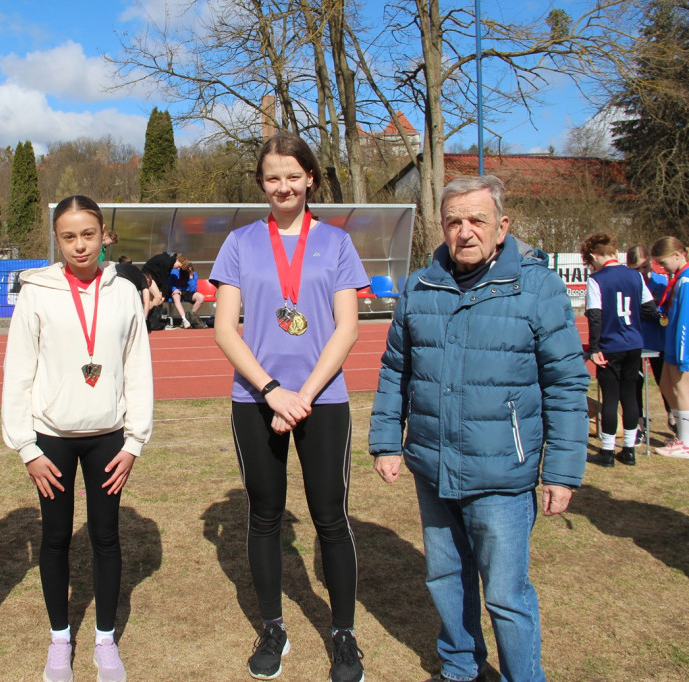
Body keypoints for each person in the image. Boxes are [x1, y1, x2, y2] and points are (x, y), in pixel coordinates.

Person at [369, 175, 589, 682]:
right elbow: (395, 369)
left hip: (503, 475)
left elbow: (566, 385)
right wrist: (386, 440)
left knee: (507, 596)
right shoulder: (421, 286)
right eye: (454, 221)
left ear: (502, 226)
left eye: (477, 221)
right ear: (441, 226)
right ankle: (459, 668)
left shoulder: (538, 288)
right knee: (445, 577)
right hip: (432, 464)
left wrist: (561, 470)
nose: (465, 232)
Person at [211, 132, 369, 682]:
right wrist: (272, 390)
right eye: (272, 177)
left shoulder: (338, 243)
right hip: (256, 398)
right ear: (262, 183)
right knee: (264, 515)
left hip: (322, 399)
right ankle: (273, 627)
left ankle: (344, 635)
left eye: (292, 176)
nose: (283, 186)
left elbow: (347, 327)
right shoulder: (238, 243)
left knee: (330, 517)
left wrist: (302, 395)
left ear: (311, 180)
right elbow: (225, 330)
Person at [1, 195, 153, 682]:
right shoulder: (37, 291)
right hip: (52, 440)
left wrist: (134, 442)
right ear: (57, 239)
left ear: (103, 233)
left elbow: (138, 368)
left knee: (106, 537)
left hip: (109, 438)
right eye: (68, 236)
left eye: (88, 234)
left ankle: (105, 641)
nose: (79, 245)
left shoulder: (124, 290)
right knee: (55, 537)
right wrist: (26, 446)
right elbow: (18, 372)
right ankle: (59, 638)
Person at [581, 233, 656, 467]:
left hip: (610, 345)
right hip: (634, 343)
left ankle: (607, 451)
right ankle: (630, 450)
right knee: (630, 395)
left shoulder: (597, 279)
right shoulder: (635, 276)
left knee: (611, 397)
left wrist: (594, 348)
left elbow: (594, 315)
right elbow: (648, 308)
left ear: (594, 256)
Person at [650, 236, 689, 458]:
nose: (662, 269)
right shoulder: (678, 279)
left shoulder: (686, 281)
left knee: (681, 389)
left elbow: (686, 319)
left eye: (663, 263)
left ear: (677, 255)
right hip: (671, 341)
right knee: (665, 384)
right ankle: (681, 434)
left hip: (682, 343)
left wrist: (683, 352)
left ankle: (686, 441)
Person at [627, 244, 671, 436]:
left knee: (665, 382)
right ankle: (638, 422)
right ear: (628, 266)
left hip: (657, 340)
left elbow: (667, 309)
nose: (642, 272)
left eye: (645, 267)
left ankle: (673, 418)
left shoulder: (661, 282)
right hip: (634, 341)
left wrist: (656, 313)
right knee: (635, 382)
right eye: (637, 268)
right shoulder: (626, 283)